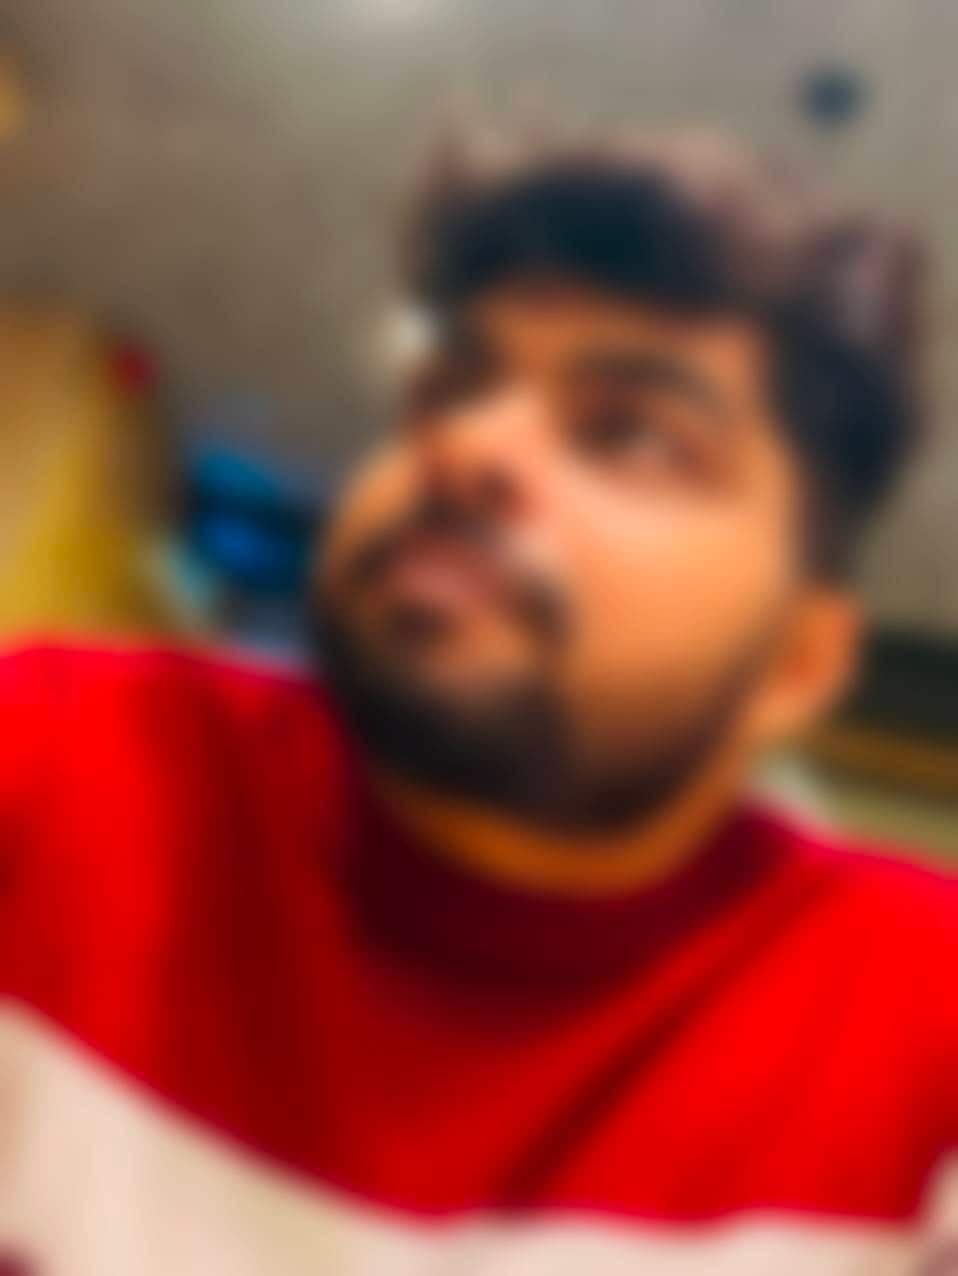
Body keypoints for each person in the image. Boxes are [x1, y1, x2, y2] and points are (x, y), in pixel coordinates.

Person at [0, 128, 954, 1275]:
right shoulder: (55, 754)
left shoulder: (921, 1024)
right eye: (450, 386)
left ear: (793, 664)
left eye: (628, 435)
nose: (465, 444)